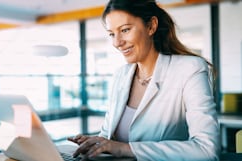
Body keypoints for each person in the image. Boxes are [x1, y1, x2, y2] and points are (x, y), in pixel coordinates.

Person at [68, 0, 220, 160]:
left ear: (151, 26)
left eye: (125, 30)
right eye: (112, 34)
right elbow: (108, 137)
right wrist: (94, 145)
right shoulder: (121, 75)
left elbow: (207, 149)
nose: (117, 42)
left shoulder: (189, 69)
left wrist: (124, 149)